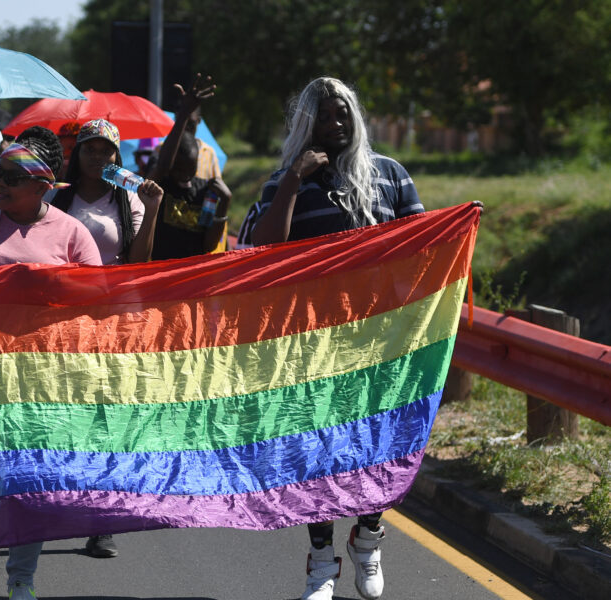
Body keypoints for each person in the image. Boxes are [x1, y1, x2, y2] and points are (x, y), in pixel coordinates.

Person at [235, 76, 425, 600]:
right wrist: (295, 179)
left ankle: (368, 538)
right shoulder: (283, 182)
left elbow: (421, 248)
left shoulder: (390, 175)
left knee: (378, 446)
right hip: (311, 345)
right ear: (306, 124)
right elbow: (260, 251)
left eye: (342, 113)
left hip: (381, 341)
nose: (335, 123)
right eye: (322, 115)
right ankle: (321, 562)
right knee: (317, 455)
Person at [0, 137, 101, 600]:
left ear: (41, 186)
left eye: (11, 178)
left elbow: (98, 304)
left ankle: (22, 580)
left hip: (42, 378)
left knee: (31, 481)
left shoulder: (72, 233)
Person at [51, 119, 162, 268]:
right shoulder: (54, 195)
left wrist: (151, 210)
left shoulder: (130, 199)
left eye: (106, 151)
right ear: (78, 154)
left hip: (114, 283)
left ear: (116, 158)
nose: (97, 156)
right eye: (90, 149)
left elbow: (138, 262)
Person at [147, 75, 232, 259]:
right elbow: (162, 167)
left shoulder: (203, 191)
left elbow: (208, 245)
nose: (184, 175)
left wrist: (224, 203)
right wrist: (184, 114)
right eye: (178, 168)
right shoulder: (163, 184)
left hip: (193, 272)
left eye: (190, 169)